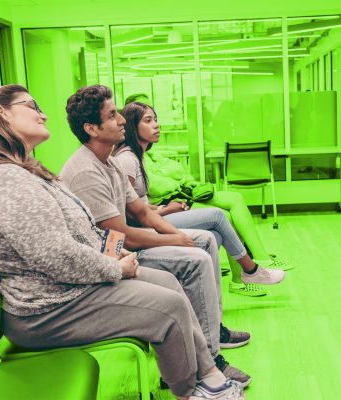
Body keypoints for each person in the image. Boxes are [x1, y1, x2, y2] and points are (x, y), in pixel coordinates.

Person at [0, 84, 244, 400]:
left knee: (169, 281)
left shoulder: (28, 170)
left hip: (71, 285)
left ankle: (208, 374)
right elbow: (58, 255)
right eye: (32, 106)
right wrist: (117, 267)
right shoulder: (6, 180)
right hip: (48, 307)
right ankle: (191, 391)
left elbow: (99, 228)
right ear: (1, 113)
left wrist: (122, 255)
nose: (43, 114)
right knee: (170, 305)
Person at [61, 84, 260, 388]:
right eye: (113, 115)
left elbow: (142, 212)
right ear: (92, 128)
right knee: (195, 259)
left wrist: (178, 234)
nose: (122, 121)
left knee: (204, 240)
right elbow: (121, 236)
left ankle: (212, 335)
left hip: (124, 244)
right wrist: (175, 241)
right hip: (113, 256)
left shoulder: (110, 162)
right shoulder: (85, 171)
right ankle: (208, 359)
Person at [116, 101, 291, 297]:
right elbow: (129, 213)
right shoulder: (127, 160)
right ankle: (250, 270)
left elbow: (138, 204)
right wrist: (166, 210)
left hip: (155, 216)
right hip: (144, 228)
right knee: (217, 215)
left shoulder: (138, 156)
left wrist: (161, 208)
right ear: (133, 126)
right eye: (148, 121)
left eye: (155, 119)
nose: (156, 125)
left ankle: (210, 298)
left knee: (215, 237)